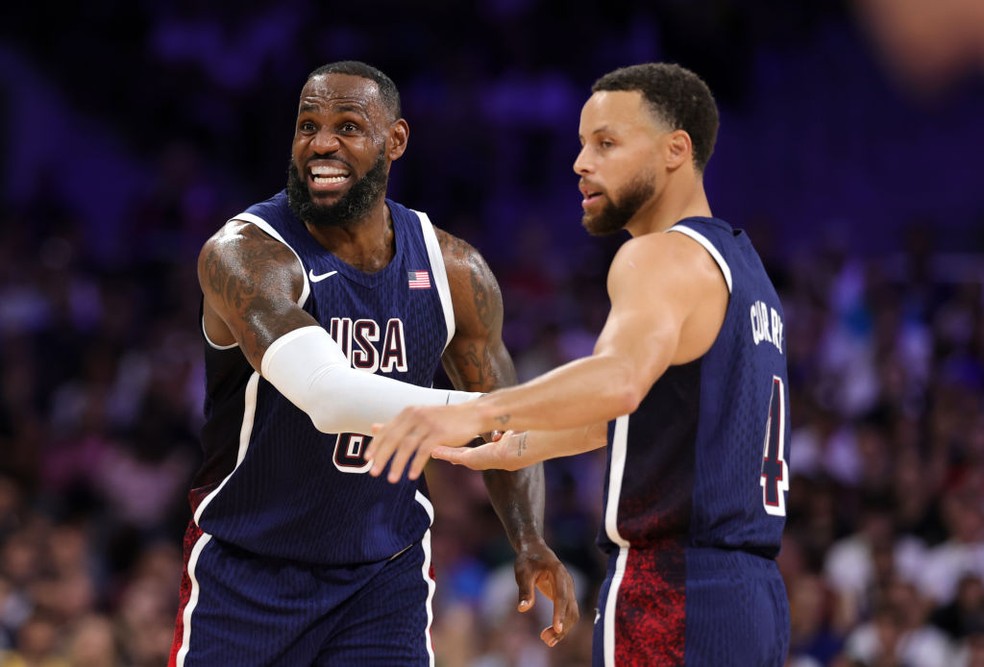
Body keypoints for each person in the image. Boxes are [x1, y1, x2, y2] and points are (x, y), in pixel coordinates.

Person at [367, 62, 792, 666]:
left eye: (607, 144)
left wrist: (478, 410)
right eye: (581, 144)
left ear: (676, 150)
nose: (580, 163)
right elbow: (657, 412)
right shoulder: (744, 270)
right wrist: (521, 445)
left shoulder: (658, 256)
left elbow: (620, 382)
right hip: (750, 600)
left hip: (672, 589)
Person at [168, 60, 577, 666]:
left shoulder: (453, 271)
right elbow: (331, 398)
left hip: (383, 579)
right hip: (250, 572)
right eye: (307, 125)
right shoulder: (246, 255)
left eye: (348, 126)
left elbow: (502, 428)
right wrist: (531, 411)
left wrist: (527, 535)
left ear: (396, 140)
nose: (322, 143)